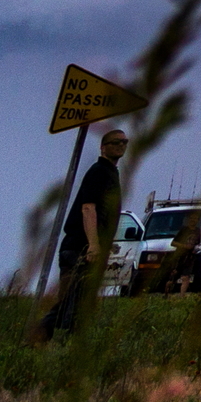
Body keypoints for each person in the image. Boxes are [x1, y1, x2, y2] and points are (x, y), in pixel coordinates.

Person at [33, 126, 126, 343]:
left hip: (87, 248)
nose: (121, 145)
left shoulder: (111, 173)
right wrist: (93, 245)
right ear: (103, 147)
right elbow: (88, 208)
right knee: (72, 303)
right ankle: (43, 343)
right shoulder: (98, 171)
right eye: (115, 142)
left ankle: (53, 344)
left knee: (77, 302)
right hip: (79, 249)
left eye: (124, 142)